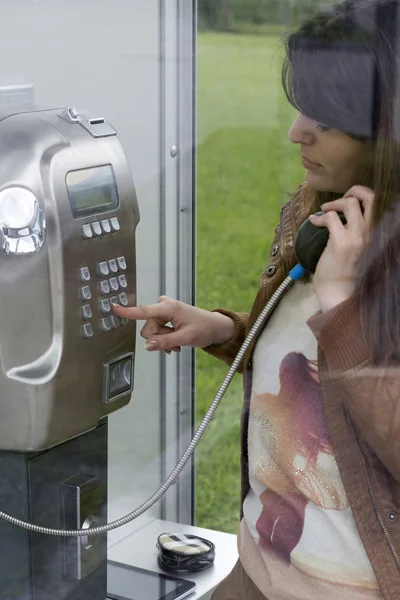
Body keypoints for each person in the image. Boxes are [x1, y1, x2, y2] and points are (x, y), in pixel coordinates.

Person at [113, 0, 400, 597]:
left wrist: (344, 301)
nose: (296, 132)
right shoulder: (315, 211)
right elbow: (305, 365)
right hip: (260, 568)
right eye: (301, 108)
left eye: (325, 119)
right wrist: (221, 330)